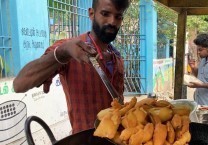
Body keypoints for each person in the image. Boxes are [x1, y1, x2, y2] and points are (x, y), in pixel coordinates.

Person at [13, 0, 130, 134]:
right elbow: (19, 84)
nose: (112, 22)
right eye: (105, 14)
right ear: (91, 14)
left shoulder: (116, 56)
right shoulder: (71, 49)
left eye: (118, 17)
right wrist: (62, 53)